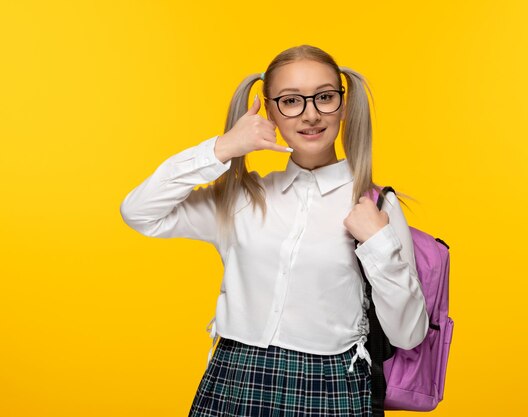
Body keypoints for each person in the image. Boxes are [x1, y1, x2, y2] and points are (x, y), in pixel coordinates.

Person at [120, 44, 429, 417]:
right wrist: (222, 148)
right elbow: (139, 212)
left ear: (343, 105)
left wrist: (379, 244)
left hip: (331, 387)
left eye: (325, 97)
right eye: (291, 101)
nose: (310, 114)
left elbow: (408, 335)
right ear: (270, 111)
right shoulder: (242, 198)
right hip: (236, 380)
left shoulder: (376, 207)